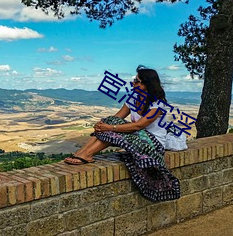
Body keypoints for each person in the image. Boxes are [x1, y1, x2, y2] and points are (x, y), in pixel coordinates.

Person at [64, 65, 180, 201]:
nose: (133, 83)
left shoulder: (158, 104)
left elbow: (139, 125)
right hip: (137, 136)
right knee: (110, 121)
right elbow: (117, 117)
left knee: (112, 127)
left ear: (146, 84)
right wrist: (102, 125)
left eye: (137, 81)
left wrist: (110, 127)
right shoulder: (133, 98)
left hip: (153, 143)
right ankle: (82, 153)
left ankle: (87, 154)